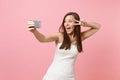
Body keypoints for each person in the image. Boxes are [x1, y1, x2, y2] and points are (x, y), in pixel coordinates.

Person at [27, 12, 101, 80]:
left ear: (76, 23)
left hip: (69, 77)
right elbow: (43, 39)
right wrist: (35, 31)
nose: (66, 24)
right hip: (53, 76)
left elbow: (98, 26)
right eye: (65, 21)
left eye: (69, 21)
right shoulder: (59, 36)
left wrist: (85, 24)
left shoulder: (80, 37)